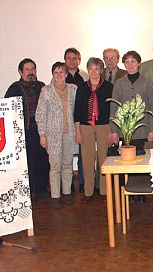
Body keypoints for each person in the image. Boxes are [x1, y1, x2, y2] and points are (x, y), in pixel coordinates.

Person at [5, 58, 49, 200]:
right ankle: (28, 192)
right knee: (27, 162)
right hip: (25, 131)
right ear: (20, 72)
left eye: (33, 69)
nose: (31, 72)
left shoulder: (42, 86)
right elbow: (8, 109)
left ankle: (42, 189)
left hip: (41, 131)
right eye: (27, 69)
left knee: (43, 161)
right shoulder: (14, 88)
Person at [36, 62, 78, 208]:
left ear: (66, 74)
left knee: (67, 164)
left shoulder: (73, 89)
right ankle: (55, 196)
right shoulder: (46, 91)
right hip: (52, 134)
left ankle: (67, 194)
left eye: (62, 72)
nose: (59, 75)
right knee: (55, 166)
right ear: (52, 75)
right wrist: (42, 135)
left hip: (69, 133)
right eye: (56, 72)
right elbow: (40, 114)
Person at [74, 57, 113, 203]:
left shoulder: (109, 87)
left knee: (104, 158)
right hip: (85, 126)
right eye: (90, 68)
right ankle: (88, 192)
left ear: (101, 70)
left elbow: (113, 109)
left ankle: (104, 191)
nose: (93, 72)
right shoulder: (82, 88)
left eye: (96, 68)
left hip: (104, 126)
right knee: (87, 159)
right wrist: (78, 131)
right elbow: (76, 111)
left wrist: (113, 130)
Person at [109, 51, 153, 148]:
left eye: (133, 61)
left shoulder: (148, 83)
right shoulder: (119, 83)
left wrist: (152, 130)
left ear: (139, 63)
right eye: (127, 62)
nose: (130, 64)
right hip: (123, 130)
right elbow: (113, 107)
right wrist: (113, 131)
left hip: (143, 130)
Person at [64, 47, 87, 193]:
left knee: (83, 152)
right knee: (67, 153)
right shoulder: (59, 76)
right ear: (65, 60)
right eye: (68, 58)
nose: (71, 61)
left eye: (74, 58)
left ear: (79, 60)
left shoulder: (85, 76)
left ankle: (84, 183)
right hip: (65, 120)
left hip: (82, 120)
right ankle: (69, 185)